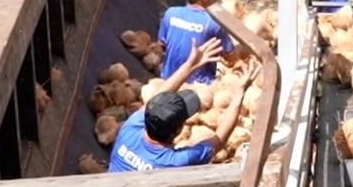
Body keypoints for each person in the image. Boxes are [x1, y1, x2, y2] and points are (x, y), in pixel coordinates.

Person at [108, 38, 260, 172]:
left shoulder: (129, 129)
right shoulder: (178, 162)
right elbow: (219, 140)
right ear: (178, 131)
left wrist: (190, 65)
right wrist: (240, 90)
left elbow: (154, 99)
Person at [158, 0, 233, 84]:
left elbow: (162, 45)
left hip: (168, 79)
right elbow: (230, 56)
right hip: (198, 85)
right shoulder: (213, 23)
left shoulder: (170, 13)